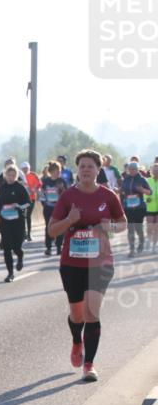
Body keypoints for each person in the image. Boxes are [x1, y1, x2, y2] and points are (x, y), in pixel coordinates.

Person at [48, 150, 126, 382]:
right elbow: (52, 231)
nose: (85, 170)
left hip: (100, 262)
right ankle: (76, 341)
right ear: (77, 169)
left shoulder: (108, 196)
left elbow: (122, 224)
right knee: (77, 314)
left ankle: (89, 364)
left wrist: (107, 226)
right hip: (72, 263)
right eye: (82, 166)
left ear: (98, 170)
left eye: (90, 166)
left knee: (92, 313)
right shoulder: (67, 197)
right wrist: (70, 220)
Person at [0, 165, 32, 282]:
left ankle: (20, 256)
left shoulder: (20, 188)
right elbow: (0, 203)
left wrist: (19, 206)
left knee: (16, 247)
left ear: (16, 176)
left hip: (18, 222)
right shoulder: (2, 188)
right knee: (7, 248)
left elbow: (28, 203)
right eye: (9, 175)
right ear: (5, 176)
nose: (11, 178)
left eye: (13, 176)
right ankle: (10, 273)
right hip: (5, 222)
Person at [120, 161, 151, 257]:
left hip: (139, 208)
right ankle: (132, 250)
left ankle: (141, 243)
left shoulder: (142, 179)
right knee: (130, 229)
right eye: (129, 169)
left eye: (133, 169)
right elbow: (122, 190)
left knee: (138, 228)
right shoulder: (126, 179)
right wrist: (119, 191)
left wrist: (142, 190)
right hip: (128, 207)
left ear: (137, 170)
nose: (131, 171)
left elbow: (150, 192)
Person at [40, 161, 66, 256]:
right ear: (51, 171)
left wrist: (62, 189)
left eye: (59, 170)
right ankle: (48, 247)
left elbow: (66, 195)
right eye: (56, 171)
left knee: (60, 226)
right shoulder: (46, 181)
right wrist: (44, 204)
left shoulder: (62, 181)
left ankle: (59, 246)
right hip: (48, 207)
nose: (58, 172)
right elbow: (42, 194)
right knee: (48, 226)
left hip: (59, 208)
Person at [20, 161, 41, 241]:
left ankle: (29, 234)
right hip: (21, 200)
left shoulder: (33, 175)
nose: (25, 170)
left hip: (31, 198)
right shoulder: (19, 176)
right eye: (23, 169)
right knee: (22, 216)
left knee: (28, 216)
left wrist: (34, 189)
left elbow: (39, 184)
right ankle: (23, 234)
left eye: (26, 168)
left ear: (29, 168)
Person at [146, 163, 158, 252]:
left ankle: (155, 244)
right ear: (151, 171)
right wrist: (147, 198)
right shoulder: (147, 181)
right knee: (150, 226)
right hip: (149, 207)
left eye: (157, 171)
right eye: (154, 170)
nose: (156, 172)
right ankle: (149, 241)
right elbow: (143, 193)